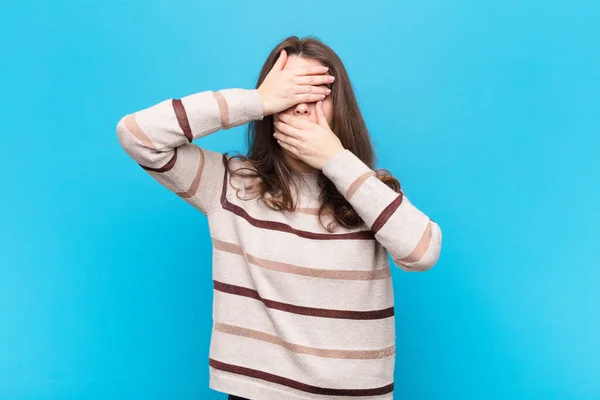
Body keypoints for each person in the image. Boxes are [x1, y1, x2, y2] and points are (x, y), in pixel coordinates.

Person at [116, 35, 442, 400]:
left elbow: (422, 252)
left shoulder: (367, 191)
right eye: (290, 91)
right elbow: (137, 135)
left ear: (341, 106)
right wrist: (256, 100)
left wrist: (336, 160)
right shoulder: (228, 184)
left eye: (317, 91)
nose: (301, 106)